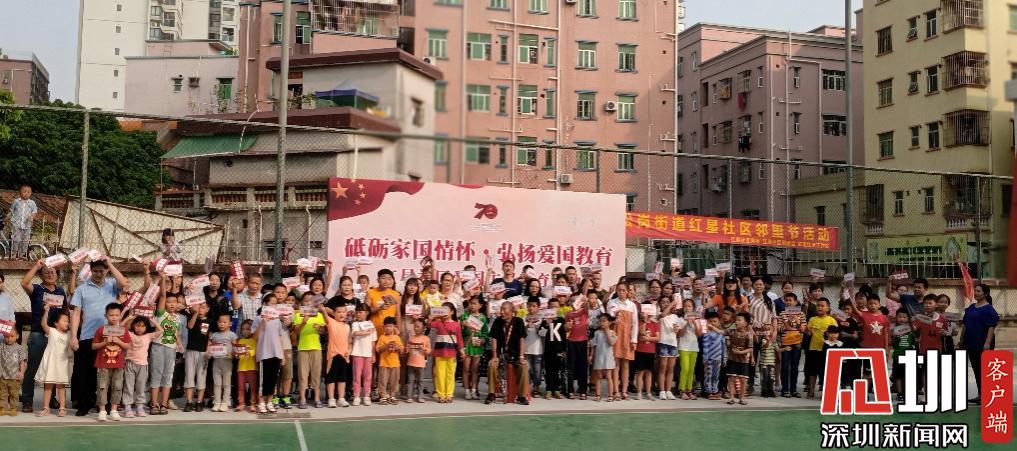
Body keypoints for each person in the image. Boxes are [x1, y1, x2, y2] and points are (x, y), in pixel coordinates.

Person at [69, 256, 128, 417]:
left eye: (101, 271)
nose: (98, 274)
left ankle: (106, 405)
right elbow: (76, 313)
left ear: (106, 271)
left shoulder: (112, 285)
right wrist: (73, 336)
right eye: (95, 271)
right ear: (90, 271)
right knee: (85, 372)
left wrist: (109, 262)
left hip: (110, 336)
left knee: (108, 372)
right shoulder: (81, 289)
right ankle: (84, 404)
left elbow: (124, 283)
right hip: (88, 336)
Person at [18, 259, 72, 413]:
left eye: (52, 272)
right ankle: (27, 400)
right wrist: (37, 266)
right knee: (33, 367)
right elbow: (24, 283)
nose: (50, 274)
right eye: (46, 272)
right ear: (41, 275)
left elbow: (65, 311)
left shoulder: (60, 291)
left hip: (56, 335)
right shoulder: (37, 289)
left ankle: (52, 399)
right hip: (38, 333)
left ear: (57, 275)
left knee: (53, 367)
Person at [960, 283, 999, 403]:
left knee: (985, 370)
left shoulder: (989, 309)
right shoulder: (971, 307)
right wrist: (961, 339)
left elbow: (991, 327)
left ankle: (988, 395)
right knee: (976, 370)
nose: (976, 293)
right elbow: (965, 325)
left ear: (985, 294)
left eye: (979, 291)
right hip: (970, 342)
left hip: (982, 344)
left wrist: (987, 343)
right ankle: (981, 394)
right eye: (975, 291)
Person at [150, 276, 183, 415]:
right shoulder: (161, 313)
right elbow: (163, 295)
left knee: (168, 376)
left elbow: (176, 332)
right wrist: (163, 278)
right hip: (158, 347)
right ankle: (154, 404)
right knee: (156, 374)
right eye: (169, 302)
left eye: (175, 302)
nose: (172, 304)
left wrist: (179, 343)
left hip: (171, 349)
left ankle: (164, 404)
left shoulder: (177, 317)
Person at [93, 302, 131, 422]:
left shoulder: (123, 331)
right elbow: (93, 346)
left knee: (118, 386)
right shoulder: (101, 330)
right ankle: (102, 410)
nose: (114, 317)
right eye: (111, 315)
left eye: (116, 315)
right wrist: (105, 342)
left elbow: (128, 345)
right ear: (106, 316)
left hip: (118, 364)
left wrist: (118, 341)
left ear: (120, 316)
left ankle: (114, 410)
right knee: (102, 386)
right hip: (103, 363)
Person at [487, 301, 529, 405]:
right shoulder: (497, 321)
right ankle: (491, 394)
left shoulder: (518, 321)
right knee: (492, 366)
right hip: (501, 354)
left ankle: (521, 396)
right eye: (501, 309)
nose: (502, 312)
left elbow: (522, 339)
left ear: (511, 311)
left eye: (504, 309)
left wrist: (521, 356)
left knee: (523, 367)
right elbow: (494, 339)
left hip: (515, 354)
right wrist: (494, 356)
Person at [34, 304, 71, 417]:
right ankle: (46, 408)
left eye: (68, 321)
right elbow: (43, 324)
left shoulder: (69, 335)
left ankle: (62, 408)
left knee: (61, 386)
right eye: (64, 321)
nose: (67, 323)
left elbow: (74, 344)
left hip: (62, 364)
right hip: (50, 363)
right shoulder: (52, 331)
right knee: (48, 386)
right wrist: (46, 311)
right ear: (56, 323)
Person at [252, 294, 285, 414]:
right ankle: (261, 402)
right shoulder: (257, 319)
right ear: (265, 304)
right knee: (263, 380)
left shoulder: (277, 320)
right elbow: (254, 337)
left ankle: (269, 401)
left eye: (276, 303)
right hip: (263, 353)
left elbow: (280, 337)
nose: (274, 305)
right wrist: (263, 322)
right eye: (272, 303)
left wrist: (282, 354)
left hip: (276, 353)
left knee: (273, 379)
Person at [122, 315, 161, 418]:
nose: (140, 328)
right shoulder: (130, 334)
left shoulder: (148, 336)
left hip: (143, 365)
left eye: (143, 326)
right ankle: (127, 407)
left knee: (141, 387)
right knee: (128, 387)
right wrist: (129, 319)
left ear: (146, 327)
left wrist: (153, 321)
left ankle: (140, 407)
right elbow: (121, 329)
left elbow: (161, 331)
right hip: (130, 363)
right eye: (138, 326)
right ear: (133, 326)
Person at [292, 292, 326, 409]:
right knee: (303, 374)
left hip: (316, 347)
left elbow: (323, 332)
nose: (308, 302)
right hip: (303, 348)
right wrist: (303, 322)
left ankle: (317, 398)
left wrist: (319, 328)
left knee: (316, 374)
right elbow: (296, 332)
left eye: (311, 300)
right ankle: (302, 398)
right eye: (306, 300)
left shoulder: (318, 315)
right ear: (302, 302)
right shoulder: (298, 315)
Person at [606, 281, 637, 400]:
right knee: (616, 364)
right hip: (615, 335)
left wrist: (633, 340)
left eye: (624, 290)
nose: (621, 292)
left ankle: (624, 390)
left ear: (627, 292)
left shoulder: (632, 305)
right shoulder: (612, 303)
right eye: (619, 290)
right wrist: (614, 316)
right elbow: (609, 319)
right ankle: (615, 391)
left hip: (627, 337)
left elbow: (635, 324)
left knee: (625, 364)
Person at [430, 302, 463, 403]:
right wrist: (432, 317)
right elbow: (429, 324)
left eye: (446, 310)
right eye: (442, 310)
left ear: (452, 312)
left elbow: (459, 338)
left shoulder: (456, 324)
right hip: (440, 352)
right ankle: (441, 394)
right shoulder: (438, 323)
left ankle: (449, 394)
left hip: (452, 353)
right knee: (440, 374)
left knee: (450, 374)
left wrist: (462, 350)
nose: (444, 312)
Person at [319, 303, 350, 408]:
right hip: (333, 355)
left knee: (342, 378)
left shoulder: (347, 326)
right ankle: (331, 399)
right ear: (334, 313)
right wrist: (323, 310)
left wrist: (348, 352)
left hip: (344, 356)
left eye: (344, 312)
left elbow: (349, 341)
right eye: (339, 312)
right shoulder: (331, 322)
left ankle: (341, 398)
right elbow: (326, 317)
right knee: (331, 378)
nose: (342, 314)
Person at [804, 298, 836, 399]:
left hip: (826, 350)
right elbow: (808, 333)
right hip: (813, 349)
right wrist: (807, 331)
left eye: (822, 306)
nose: (820, 307)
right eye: (818, 305)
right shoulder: (812, 319)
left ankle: (825, 392)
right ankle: (811, 391)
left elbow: (835, 335)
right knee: (812, 371)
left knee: (825, 372)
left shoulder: (832, 320)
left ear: (828, 308)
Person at [183, 302, 211, 412]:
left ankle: (199, 401)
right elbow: (190, 326)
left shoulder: (210, 322)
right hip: (191, 350)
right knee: (189, 375)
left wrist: (208, 350)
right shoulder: (191, 318)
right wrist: (194, 313)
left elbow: (210, 338)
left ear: (207, 309)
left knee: (201, 376)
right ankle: (189, 401)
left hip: (203, 352)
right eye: (199, 307)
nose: (200, 310)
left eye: (203, 308)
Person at [565, 291, 593, 400]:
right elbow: (566, 329)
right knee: (571, 367)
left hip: (582, 341)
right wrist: (567, 327)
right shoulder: (568, 314)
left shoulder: (584, 311)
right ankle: (570, 391)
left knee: (583, 367)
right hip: (571, 342)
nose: (574, 303)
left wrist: (585, 300)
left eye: (576, 301)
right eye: (572, 301)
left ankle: (583, 391)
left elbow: (587, 305)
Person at [777, 292, 806, 398]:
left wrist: (798, 321)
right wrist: (788, 321)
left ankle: (793, 389)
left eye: (790, 300)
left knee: (794, 367)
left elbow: (803, 329)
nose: (788, 302)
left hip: (797, 343)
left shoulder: (801, 314)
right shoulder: (782, 314)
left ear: (795, 301)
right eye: (786, 300)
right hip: (785, 343)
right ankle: (785, 389)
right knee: (784, 366)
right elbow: (779, 329)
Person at [460, 295, 488, 400]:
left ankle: (474, 390)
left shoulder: (483, 318)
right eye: (470, 303)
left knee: (475, 370)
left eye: (474, 303)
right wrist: (463, 325)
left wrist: (482, 340)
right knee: (466, 369)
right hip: (467, 345)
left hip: (477, 346)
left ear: (480, 305)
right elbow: (460, 332)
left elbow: (485, 333)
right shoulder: (465, 316)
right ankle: (466, 391)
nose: (472, 306)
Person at [350, 304, 377, 406]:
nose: (358, 314)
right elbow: (355, 333)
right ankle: (356, 396)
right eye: (357, 312)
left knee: (368, 376)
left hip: (368, 354)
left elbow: (373, 340)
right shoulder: (355, 324)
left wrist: (373, 353)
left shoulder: (371, 324)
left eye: (360, 312)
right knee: (357, 375)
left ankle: (366, 396)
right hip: (357, 353)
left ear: (367, 313)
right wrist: (365, 332)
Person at [208, 314, 236, 412]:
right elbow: (209, 345)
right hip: (216, 362)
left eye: (224, 322)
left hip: (227, 362)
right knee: (217, 383)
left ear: (230, 324)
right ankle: (217, 402)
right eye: (220, 322)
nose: (221, 324)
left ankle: (225, 403)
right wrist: (209, 352)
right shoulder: (214, 335)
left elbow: (235, 347)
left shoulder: (232, 335)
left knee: (226, 384)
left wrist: (232, 354)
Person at [675, 299, 702, 400]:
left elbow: (699, 334)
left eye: (689, 306)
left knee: (691, 370)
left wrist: (694, 322)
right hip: (683, 346)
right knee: (685, 369)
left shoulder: (697, 319)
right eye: (685, 306)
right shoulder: (680, 319)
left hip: (694, 347)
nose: (687, 308)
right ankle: (682, 390)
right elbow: (679, 334)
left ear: (693, 308)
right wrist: (687, 323)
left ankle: (689, 390)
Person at [726, 312, 754, 406]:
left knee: (743, 380)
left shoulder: (749, 334)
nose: (736, 322)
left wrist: (741, 352)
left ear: (745, 323)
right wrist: (713, 328)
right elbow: (722, 332)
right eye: (736, 320)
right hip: (732, 358)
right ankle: (731, 398)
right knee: (731, 378)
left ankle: (742, 398)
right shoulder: (731, 331)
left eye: (739, 320)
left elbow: (750, 348)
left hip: (743, 360)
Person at [543, 298, 568, 399]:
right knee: (548, 370)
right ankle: (549, 389)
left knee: (557, 369)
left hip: (559, 349)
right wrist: (546, 325)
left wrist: (564, 349)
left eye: (556, 307)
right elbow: (541, 333)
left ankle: (557, 389)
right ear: (548, 308)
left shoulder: (561, 320)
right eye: (552, 307)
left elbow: (564, 336)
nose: (554, 309)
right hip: (548, 349)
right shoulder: (545, 320)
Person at [374, 316, 404, 405]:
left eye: (390, 326)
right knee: (382, 381)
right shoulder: (382, 337)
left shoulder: (397, 338)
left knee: (394, 381)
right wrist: (386, 346)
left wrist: (397, 347)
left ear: (394, 327)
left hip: (395, 364)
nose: (388, 328)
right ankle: (383, 396)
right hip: (384, 363)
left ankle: (392, 396)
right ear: (383, 327)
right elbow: (378, 349)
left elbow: (401, 350)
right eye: (386, 326)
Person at [590, 313, 618, 402]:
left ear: (609, 322)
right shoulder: (597, 333)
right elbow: (593, 345)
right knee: (598, 376)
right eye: (600, 321)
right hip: (599, 357)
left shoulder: (612, 332)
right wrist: (591, 355)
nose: (601, 323)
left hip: (608, 358)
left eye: (604, 321)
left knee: (609, 376)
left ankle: (610, 395)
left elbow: (611, 343)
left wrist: (606, 331)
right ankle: (598, 395)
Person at [633, 305, 659, 401]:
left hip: (650, 351)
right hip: (640, 350)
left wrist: (648, 338)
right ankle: (639, 392)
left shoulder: (655, 324)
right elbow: (640, 332)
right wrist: (644, 321)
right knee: (640, 372)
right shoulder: (639, 322)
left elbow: (657, 338)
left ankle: (648, 393)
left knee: (649, 372)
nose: (647, 314)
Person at [523, 297, 547, 397]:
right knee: (528, 369)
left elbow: (544, 333)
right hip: (526, 349)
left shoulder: (542, 319)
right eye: (529, 306)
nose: (531, 308)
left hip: (538, 349)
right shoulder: (524, 318)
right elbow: (521, 333)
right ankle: (527, 387)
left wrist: (538, 328)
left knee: (537, 370)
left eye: (534, 306)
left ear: (538, 307)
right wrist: (526, 326)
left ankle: (536, 387)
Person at [6, 184, 37, 260]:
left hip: (27, 225)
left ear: (31, 193)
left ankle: (22, 255)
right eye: (24, 191)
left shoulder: (32, 203)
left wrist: (32, 217)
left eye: (29, 192)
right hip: (16, 224)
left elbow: (34, 212)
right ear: (20, 192)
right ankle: (13, 254)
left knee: (25, 241)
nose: (27, 193)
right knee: (16, 240)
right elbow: (11, 211)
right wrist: (7, 218)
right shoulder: (16, 201)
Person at [656, 297, 679, 400]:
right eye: (663, 302)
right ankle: (661, 390)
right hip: (663, 343)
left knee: (670, 368)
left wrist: (676, 329)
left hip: (673, 344)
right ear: (659, 304)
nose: (665, 304)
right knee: (663, 367)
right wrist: (672, 303)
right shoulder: (659, 315)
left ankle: (668, 390)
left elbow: (677, 331)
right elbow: (663, 314)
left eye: (667, 302)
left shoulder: (675, 316)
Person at [890, 309, 915, 402]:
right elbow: (892, 343)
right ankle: (900, 393)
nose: (902, 319)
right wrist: (894, 337)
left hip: (909, 355)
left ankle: (907, 392)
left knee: (908, 375)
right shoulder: (894, 330)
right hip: (898, 355)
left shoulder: (912, 329)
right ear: (896, 318)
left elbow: (915, 341)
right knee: (898, 375)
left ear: (908, 318)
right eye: (899, 317)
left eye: (904, 317)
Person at [0, 326, 26, 416]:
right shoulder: (2, 346)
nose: (9, 339)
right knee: (2, 393)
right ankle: (2, 407)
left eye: (12, 336)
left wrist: (21, 372)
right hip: (3, 375)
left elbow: (22, 361)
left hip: (15, 376)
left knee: (14, 393)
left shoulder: (19, 348)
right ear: (3, 336)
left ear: (17, 336)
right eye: (7, 336)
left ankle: (13, 408)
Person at [404, 318, 431, 403]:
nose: (416, 328)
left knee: (421, 381)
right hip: (411, 362)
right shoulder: (411, 338)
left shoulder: (426, 338)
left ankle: (420, 396)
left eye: (418, 326)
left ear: (424, 328)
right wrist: (407, 348)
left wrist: (424, 349)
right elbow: (407, 350)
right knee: (410, 380)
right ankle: (409, 396)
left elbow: (429, 351)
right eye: (415, 326)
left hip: (421, 363)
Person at [234, 320, 258, 412]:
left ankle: (253, 404)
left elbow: (255, 352)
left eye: (247, 329)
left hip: (252, 367)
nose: (245, 331)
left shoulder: (254, 340)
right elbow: (237, 353)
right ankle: (241, 403)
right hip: (241, 368)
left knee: (253, 387)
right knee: (241, 387)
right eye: (243, 329)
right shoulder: (239, 340)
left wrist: (249, 351)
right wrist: (236, 354)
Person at [701, 311, 726, 400]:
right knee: (708, 375)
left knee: (716, 376)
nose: (712, 323)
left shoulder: (721, 334)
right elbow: (705, 346)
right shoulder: (706, 334)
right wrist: (705, 358)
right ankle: (708, 392)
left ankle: (715, 391)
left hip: (718, 358)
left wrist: (724, 358)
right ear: (707, 322)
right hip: (709, 359)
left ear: (719, 322)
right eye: (710, 321)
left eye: (715, 321)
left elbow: (723, 347)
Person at [758, 324, 778, 398]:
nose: (767, 331)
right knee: (765, 377)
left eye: (769, 329)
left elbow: (777, 350)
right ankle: (764, 391)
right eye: (765, 330)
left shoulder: (774, 341)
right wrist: (768, 339)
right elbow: (766, 345)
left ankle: (771, 390)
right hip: (764, 363)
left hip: (771, 362)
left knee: (771, 377)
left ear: (772, 331)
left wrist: (784, 349)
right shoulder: (763, 340)